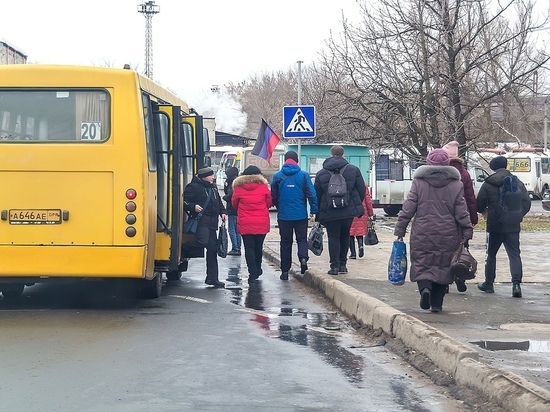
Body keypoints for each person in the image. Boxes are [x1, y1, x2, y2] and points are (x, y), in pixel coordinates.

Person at [394, 149, 473, 312]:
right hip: (447, 233)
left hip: (422, 232)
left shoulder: (418, 183)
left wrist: (400, 229)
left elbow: (408, 208)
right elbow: (461, 211)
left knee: (422, 262)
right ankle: (437, 304)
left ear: (428, 162)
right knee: (443, 266)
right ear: (447, 163)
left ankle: (425, 290)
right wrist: (467, 230)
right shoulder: (456, 185)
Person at [476, 155, 531, 298]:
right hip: (513, 225)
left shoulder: (488, 183)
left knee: (491, 255)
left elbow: (479, 204)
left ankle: (488, 284)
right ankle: (516, 285)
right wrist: (517, 215)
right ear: (506, 166)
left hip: (494, 225)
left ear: (493, 167)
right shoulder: (516, 182)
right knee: (514, 254)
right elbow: (527, 203)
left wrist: (487, 211)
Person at [314, 145, 366, 275]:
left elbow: (317, 194)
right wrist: (354, 203)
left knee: (333, 237)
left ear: (331, 155)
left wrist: (317, 212)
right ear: (343, 155)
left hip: (329, 210)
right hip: (348, 210)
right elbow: (361, 190)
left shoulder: (321, 173)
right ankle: (343, 265)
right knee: (345, 235)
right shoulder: (353, 170)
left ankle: (334, 266)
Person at [271, 150, 318, 281]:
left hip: (284, 216)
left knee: (285, 242)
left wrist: (278, 205)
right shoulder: (303, 175)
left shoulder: (278, 176)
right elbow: (311, 193)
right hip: (300, 215)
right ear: (297, 161)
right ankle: (303, 259)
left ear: (285, 160)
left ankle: (285, 271)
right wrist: (313, 210)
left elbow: (273, 195)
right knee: (301, 239)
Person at [442, 140, 478, 293]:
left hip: (443, 217)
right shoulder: (464, 173)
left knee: (443, 250)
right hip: (462, 218)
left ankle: (443, 283)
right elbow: (470, 198)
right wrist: (473, 219)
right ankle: (460, 277)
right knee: (461, 247)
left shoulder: (440, 172)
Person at [183, 167, 227, 288]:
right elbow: (184, 202)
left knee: (212, 250)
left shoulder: (213, 187)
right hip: (201, 220)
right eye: (210, 175)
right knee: (202, 242)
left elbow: (218, 202)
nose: (213, 177)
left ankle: (212, 278)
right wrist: (193, 207)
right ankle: (183, 248)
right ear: (204, 177)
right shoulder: (193, 187)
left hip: (213, 222)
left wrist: (223, 212)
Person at [232, 165, 273, 284]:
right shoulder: (263, 187)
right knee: (258, 247)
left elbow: (234, 204)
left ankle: (252, 272)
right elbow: (269, 203)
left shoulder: (238, 188)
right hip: (261, 221)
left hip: (245, 222)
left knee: (248, 248)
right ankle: (258, 268)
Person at [349, 183, 374, 259]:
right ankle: (360, 246)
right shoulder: (363, 185)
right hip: (362, 210)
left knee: (350, 233)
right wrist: (370, 212)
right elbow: (368, 199)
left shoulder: (347, 183)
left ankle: (353, 253)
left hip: (350, 210)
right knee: (359, 231)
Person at [222, 166, 242, 256]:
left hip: (232, 209)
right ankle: (238, 247)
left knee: (232, 229)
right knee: (238, 230)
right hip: (238, 210)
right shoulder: (238, 182)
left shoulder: (232, 183)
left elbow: (229, 195)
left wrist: (224, 197)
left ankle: (235, 248)